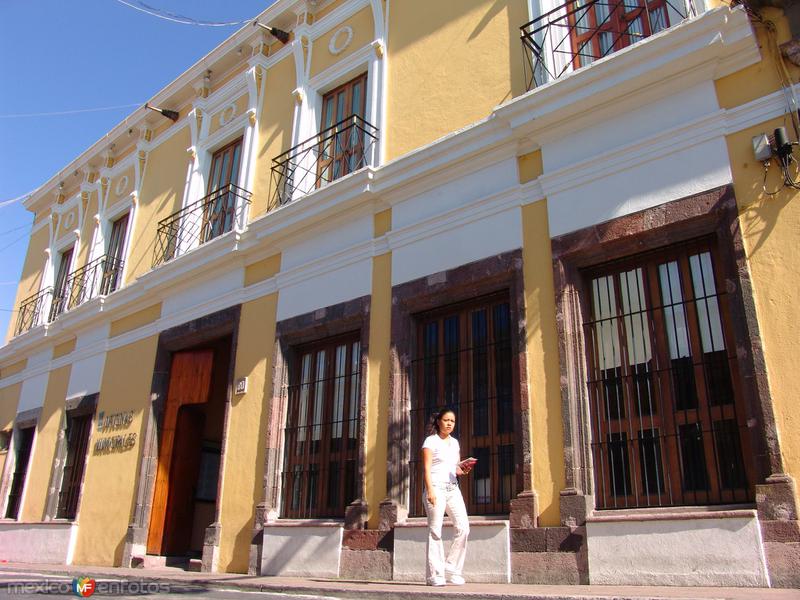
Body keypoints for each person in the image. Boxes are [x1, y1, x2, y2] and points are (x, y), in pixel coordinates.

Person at [421, 408, 474, 586]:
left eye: (452, 421)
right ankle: (435, 576)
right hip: (436, 487)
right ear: (438, 422)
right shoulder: (431, 441)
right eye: (446, 420)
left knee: (463, 527)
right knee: (435, 530)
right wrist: (430, 490)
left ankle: (451, 568)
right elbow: (427, 469)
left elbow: (455, 469)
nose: (450, 423)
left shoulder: (455, 443)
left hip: (453, 489)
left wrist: (463, 469)